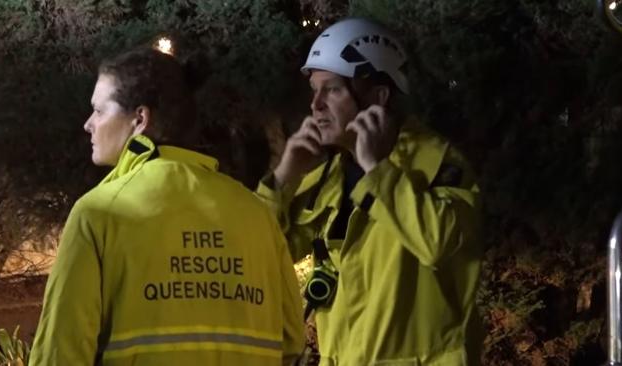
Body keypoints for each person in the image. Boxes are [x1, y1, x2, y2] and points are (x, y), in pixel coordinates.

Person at [30, 48, 304, 365]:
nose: (88, 124)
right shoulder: (256, 215)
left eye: (99, 111)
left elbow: (59, 354)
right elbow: (292, 343)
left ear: (140, 119)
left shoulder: (98, 214)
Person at [255, 18, 483, 365]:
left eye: (331, 89)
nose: (316, 105)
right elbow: (263, 258)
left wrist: (377, 169)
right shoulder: (329, 176)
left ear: (378, 96)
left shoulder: (437, 162)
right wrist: (284, 176)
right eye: (314, 91)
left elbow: (436, 243)